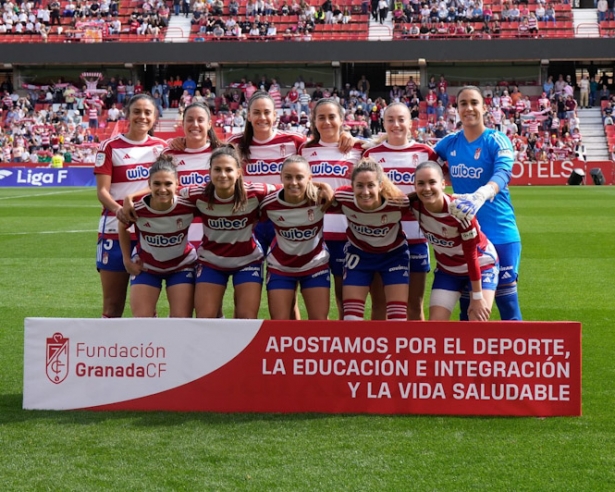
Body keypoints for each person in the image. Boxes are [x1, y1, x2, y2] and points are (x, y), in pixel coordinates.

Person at [434, 85, 522, 321]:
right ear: (457, 109)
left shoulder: (497, 140)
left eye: (474, 102)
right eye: (463, 103)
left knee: (507, 302)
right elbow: (422, 160)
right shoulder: (449, 144)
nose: (469, 108)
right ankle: (471, 359)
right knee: (469, 307)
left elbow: (504, 173)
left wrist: (483, 193)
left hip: (500, 231)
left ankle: (515, 358)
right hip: (467, 235)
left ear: (484, 107)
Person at [362, 102, 440, 320]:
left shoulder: (426, 153)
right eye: (390, 120)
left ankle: (416, 354)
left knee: (414, 305)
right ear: (383, 123)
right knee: (380, 305)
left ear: (411, 123)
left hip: (416, 237)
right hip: (380, 239)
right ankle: (378, 354)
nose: (396, 125)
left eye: (401, 119)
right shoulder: (371, 154)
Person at [94, 94, 167, 318]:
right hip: (113, 232)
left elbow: (168, 186)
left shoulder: (162, 149)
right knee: (112, 307)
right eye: (137, 111)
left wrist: (133, 200)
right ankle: (108, 352)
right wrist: (120, 211)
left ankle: (146, 352)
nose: (142, 117)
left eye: (148, 112)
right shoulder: (110, 146)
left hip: (149, 232)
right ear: (128, 114)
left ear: (155, 117)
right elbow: (102, 191)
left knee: (146, 308)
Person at [181, 145, 276, 319]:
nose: (222, 175)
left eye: (228, 170)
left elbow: (292, 188)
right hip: (211, 261)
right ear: (209, 171)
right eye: (217, 169)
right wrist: (129, 201)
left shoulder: (256, 192)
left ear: (239, 172)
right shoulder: (196, 193)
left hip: (248, 260)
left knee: (246, 318)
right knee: (205, 318)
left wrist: (322, 186)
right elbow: (165, 190)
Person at [409, 161, 499, 321]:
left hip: (481, 264)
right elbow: (391, 201)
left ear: (443, 184)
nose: (427, 188)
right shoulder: (414, 206)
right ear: (414, 186)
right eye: (421, 183)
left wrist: (477, 297)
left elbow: (471, 255)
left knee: (477, 321)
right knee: (436, 326)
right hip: (448, 270)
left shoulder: (460, 211)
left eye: (432, 182)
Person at [300, 97, 364, 319]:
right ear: (314, 121)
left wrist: (354, 137)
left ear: (342, 120)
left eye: (331, 117)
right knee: (316, 303)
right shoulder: (304, 150)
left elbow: (381, 144)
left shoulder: (358, 149)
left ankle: (345, 348)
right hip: (312, 233)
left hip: (346, 233)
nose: (326, 122)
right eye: (321, 117)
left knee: (343, 297)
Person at [330, 158, 409, 321]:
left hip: (393, 256)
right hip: (359, 256)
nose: (365, 192)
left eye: (371, 185)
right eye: (359, 185)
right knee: (351, 318)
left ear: (380, 186)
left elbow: (431, 207)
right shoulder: (342, 197)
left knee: (398, 319)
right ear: (352, 186)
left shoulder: (399, 202)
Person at [119, 156, 197, 318]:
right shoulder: (138, 209)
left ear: (177, 183)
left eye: (168, 183)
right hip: (147, 267)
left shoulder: (187, 206)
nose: (162, 189)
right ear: (149, 185)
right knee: (142, 320)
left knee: (181, 320)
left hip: (182, 265)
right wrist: (126, 260)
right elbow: (123, 225)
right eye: (157, 184)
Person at [260, 155, 331, 320]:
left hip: (315, 265)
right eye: (288, 177)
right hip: (280, 267)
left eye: (299, 177)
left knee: (320, 323)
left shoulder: (321, 199)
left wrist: (324, 186)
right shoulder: (268, 203)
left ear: (310, 178)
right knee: (280, 324)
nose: (293, 182)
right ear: (281, 178)